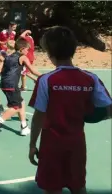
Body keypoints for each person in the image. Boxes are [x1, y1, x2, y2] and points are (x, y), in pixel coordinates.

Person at [28, 26, 112, 194]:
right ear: (74, 49)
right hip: (76, 144)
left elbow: (39, 116)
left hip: (51, 145)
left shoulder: (46, 80)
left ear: (49, 52)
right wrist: (94, 116)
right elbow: (109, 109)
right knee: (78, 186)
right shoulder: (90, 78)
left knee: (52, 188)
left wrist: (32, 145)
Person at [0, 38, 42, 139]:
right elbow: (32, 70)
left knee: (21, 102)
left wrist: (6, 79)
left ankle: (24, 127)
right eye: (27, 49)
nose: (27, 52)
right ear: (22, 49)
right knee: (16, 107)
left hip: (5, 83)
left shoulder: (8, 57)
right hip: (11, 85)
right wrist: (45, 76)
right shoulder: (23, 57)